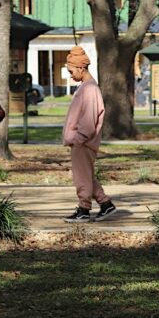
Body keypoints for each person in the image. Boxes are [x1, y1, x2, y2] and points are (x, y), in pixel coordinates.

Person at [62, 46, 115, 223]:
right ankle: (105, 204)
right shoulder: (87, 87)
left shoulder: (90, 89)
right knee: (86, 175)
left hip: (83, 142)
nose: (70, 75)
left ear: (81, 68)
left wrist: (78, 139)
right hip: (81, 141)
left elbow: (88, 119)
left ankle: (84, 209)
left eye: (71, 71)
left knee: (81, 177)